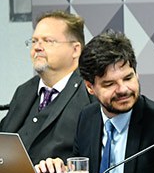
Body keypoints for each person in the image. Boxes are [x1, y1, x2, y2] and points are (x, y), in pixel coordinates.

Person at [36, 30, 154, 173]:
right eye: (110, 84)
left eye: (128, 78)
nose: (123, 89)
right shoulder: (87, 118)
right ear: (90, 87)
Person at [1, 11, 93, 162]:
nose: (37, 47)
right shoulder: (24, 91)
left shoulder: (90, 91)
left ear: (75, 49)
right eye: (34, 41)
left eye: (48, 41)